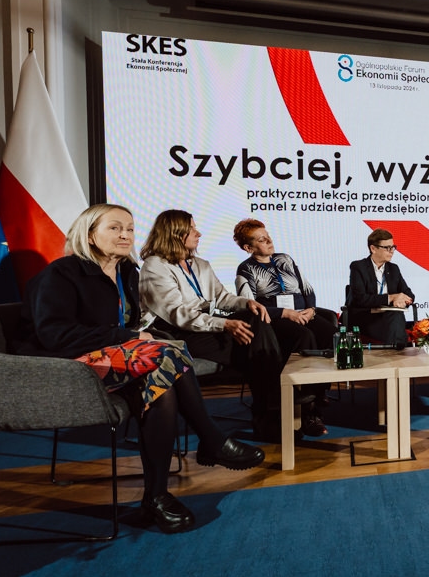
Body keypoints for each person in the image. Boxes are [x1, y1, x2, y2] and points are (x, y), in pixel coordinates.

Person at [16, 204, 265, 535]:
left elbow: (134, 324)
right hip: (67, 366)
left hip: (116, 358)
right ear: (89, 234)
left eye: (130, 229)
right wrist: (129, 337)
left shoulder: (127, 272)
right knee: (166, 354)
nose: (125, 235)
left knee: (161, 386)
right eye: (115, 228)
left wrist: (136, 337)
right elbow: (55, 335)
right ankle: (210, 439)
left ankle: (156, 496)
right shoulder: (61, 274)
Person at [139, 210, 327, 440]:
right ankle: (278, 412)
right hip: (180, 332)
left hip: (208, 324)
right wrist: (224, 324)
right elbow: (178, 314)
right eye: (192, 229)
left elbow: (222, 298)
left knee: (257, 326)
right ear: (176, 234)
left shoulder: (200, 264)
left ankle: (275, 414)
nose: (199, 233)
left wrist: (247, 303)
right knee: (257, 347)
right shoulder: (155, 266)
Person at [233, 218, 338, 402]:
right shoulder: (246, 269)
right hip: (274, 318)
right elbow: (250, 304)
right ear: (248, 248)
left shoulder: (285, 259)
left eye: (268, 236)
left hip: (302, 312)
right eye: (260, 239)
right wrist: (286, 313)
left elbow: (307, 289)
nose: (268, 241)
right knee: (304, 336)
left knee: (330, 333)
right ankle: (306, 396)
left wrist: (311, 309)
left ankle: (320, 390)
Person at [347, 228, 415, 347]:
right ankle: (400, 353)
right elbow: (360, 298)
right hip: (365, 318)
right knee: (395, 321)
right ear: (373, 248)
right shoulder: (358, 267)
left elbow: (409, 294)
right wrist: (390, 298)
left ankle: (397, 352)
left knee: (396, 316)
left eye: (393, 247)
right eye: (387, 248)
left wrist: (403, 300)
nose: (392, 251)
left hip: (388, 316)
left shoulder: (393, 268)